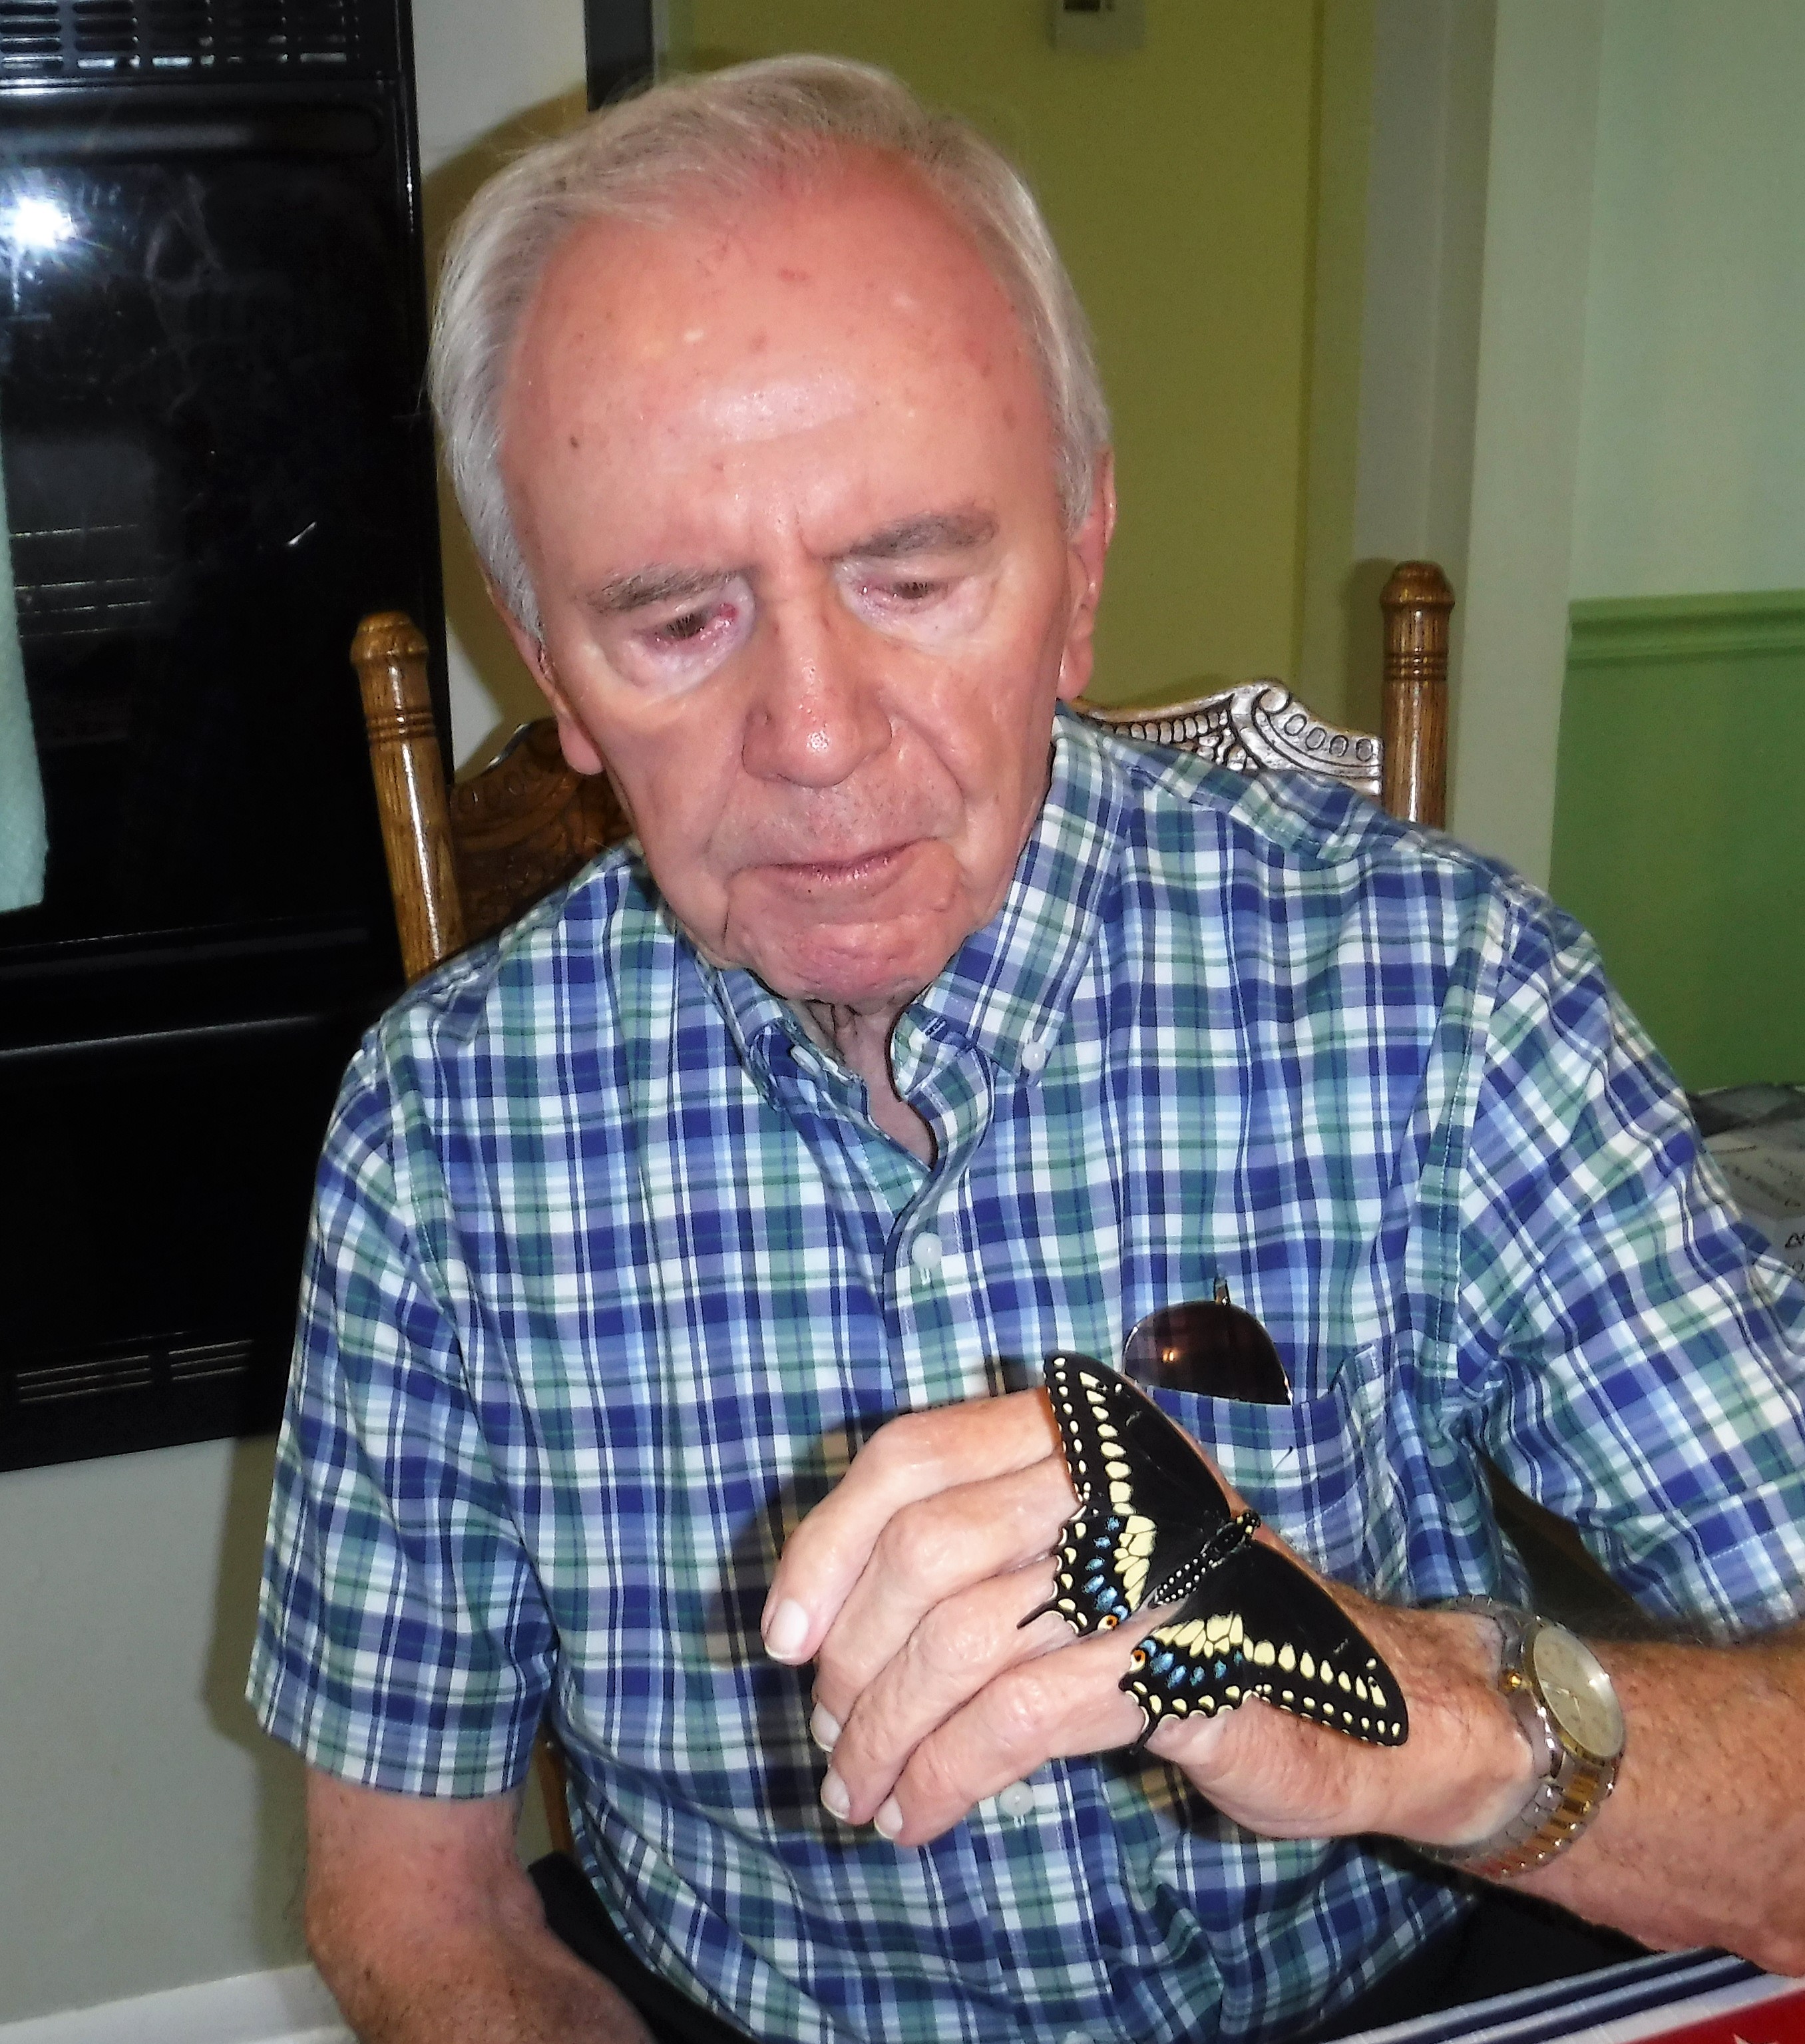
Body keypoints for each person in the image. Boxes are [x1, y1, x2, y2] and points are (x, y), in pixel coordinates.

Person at [250, 55, 1805, 2044]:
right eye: (678, 621)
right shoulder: (440, 1138)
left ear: (1079, 563)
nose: (817, 735)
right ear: (552, 662)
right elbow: (409, 1908)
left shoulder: (1440, 996)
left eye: (913, 577)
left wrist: (1401, 1705)